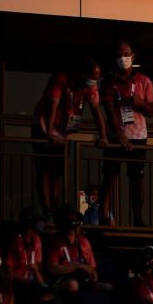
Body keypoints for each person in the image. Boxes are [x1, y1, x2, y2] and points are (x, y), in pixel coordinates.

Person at [32, 59, 105, 215]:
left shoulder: (90, 86)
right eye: (91, 76)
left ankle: (54, 207)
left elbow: (96, 110)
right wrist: (49, 133)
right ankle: (46, 208)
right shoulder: (62, 78)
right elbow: (52, 105)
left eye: (96, 78)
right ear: (82, 73)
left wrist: (103, 136)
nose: (93, 81)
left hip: (64, 128)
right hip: (45, 123)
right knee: (44, 167)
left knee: (58, 170)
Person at [101, 41, 153, 227]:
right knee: (109, 176)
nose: (122, 58)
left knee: (137, 178)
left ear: (133, 56)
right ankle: (104, 214)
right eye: (119, 54)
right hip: (115, 136)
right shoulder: (109, 82)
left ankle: (138, 218)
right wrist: (120, 136)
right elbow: (108, 110)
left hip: (138, 136)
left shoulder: (144, 80)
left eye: (126, 54)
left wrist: (139, 103)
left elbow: (151, 111)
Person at [44, 218, 99, 292]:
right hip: (62, 279)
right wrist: (77, 266)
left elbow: (92, 268)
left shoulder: (84, 242)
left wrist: (92, 274)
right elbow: (53, 269)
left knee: (107, 287)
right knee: (73, 285)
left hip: (82, 278)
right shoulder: (57, 242)